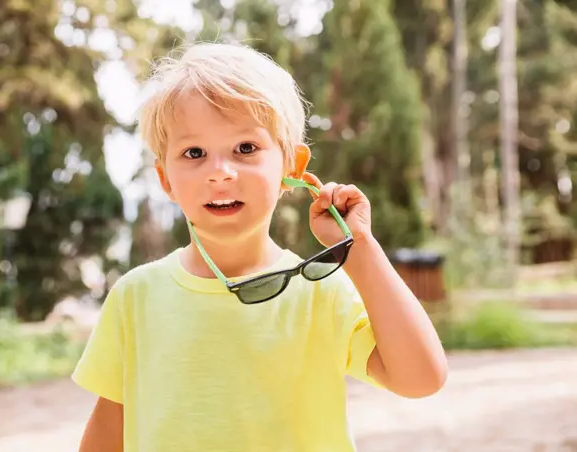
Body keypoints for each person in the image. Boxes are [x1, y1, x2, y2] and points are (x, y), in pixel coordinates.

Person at [73, 41, 448, 452]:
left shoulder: (318, 290)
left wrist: (359, 248)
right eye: (194, 152)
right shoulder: (136, 297)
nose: (220, 172)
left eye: (245, 148)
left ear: (292, 166)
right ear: (166, 181)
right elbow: (109, 430)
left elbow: (422, 377)